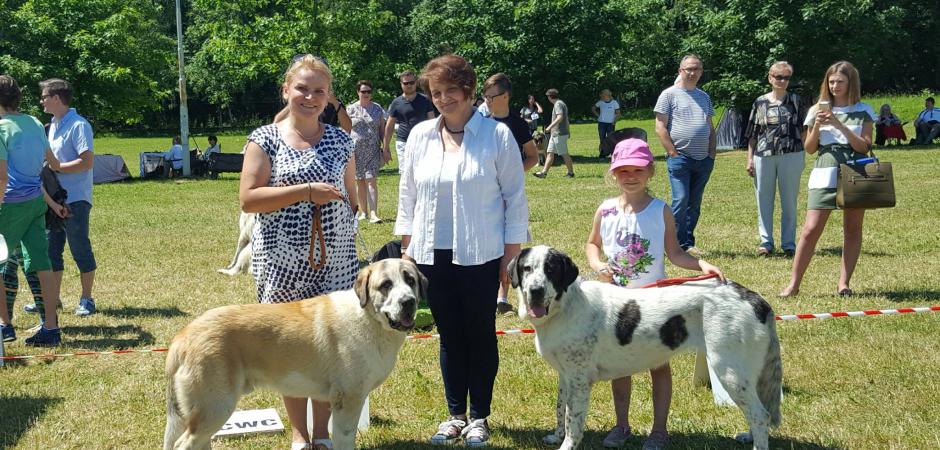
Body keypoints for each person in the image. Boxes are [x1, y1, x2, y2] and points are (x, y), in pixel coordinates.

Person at [395, 54, 528, 447]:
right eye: (436, 93)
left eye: (451, 91)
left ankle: (480, 417)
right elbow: (409, 196)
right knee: (450, 335)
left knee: (481, 333)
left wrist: (511, 256)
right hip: (431, 253)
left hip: (482, 252)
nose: (443, 99)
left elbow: (514, 199)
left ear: (468, 91)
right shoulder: (419, 136)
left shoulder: (497, 136)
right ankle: (455, 414)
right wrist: (407, 247)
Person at [239, 55, 359, 450]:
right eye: (302, 88)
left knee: (330, 346)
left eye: (319, 91)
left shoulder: (342, 139)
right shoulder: (264, 138)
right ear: (286, 90)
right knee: (289, 347)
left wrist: (346, 211)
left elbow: (351, 194)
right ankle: (299, 434)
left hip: (336, 258)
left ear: (329, 98)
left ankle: (322, 434)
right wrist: (306, 192)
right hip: (281, 260)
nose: (310, 97)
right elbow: (249, 199)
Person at [585, 138, 723, 450]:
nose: (630, 176)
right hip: (615, 304)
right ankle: (621, 425)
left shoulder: (661, 211)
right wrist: (596, 263)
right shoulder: (605, 210)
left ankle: (659, 430)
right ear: (613, 174)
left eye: (637, 169)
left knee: (658, 365)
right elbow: (592, 243)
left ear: (650, 171)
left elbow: (675, 253)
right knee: (619, 365)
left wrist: (702, 264)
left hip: (653, 304)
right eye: (623, 171)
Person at [780, 61, 876, 298]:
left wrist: (839, 125)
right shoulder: (815, 110)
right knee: (811, 229)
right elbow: (810, 148)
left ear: (850, 82)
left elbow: (864, 146)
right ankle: (793, 284)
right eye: (831, 81)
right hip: (825, 168)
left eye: (840, 81)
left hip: (856, 168)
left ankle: (844, 284)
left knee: (852, 228)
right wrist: (817, 127)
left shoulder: (864, 110)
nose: (834, 86)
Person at [0, 74, 64, 346]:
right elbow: (54, 162)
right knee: (41, 264)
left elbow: (1, 176)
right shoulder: (36, 123)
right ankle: (51, 327)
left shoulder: (1, 128)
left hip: (10, 205)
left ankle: (4, 326)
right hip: (36, 203)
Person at [31, 78, 98, 319]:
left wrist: (58, 168)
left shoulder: (79, 125)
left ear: (57, 98)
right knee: (51, 250)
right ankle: (53, 298)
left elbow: (87, 161)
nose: (42, 101)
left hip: (76, 198)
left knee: (79, 247)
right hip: (54, 199)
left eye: (45, 97)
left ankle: (87, 298)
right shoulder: (51, 125)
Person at [480, 73, 539, 315]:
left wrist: (513, 174)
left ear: (505, 96)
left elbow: (533, 157)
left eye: (490, 96)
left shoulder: (517, 123)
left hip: (509, 196)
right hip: (483, 194)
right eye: (484, 96)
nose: (486, 101)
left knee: (509, 243)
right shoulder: (478, 121)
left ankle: (502, 297)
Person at [653, 54, 717, 254]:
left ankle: (687, 242)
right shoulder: (668, 95)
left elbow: (710, 127)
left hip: (703, 160)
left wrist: (712, 153)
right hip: (680, 159)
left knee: (694, 204)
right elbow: (660, 127)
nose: (692, 72)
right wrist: (672, 152)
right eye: (688, 68)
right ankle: (674, 243)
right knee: (680, 200)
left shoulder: (704, 97)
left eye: (696, 69)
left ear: (701, 72)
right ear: (680, 71)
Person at [744, 61, 806, 258]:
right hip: (763, 155)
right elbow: (752, 134)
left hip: (792, 154)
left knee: (789, 201)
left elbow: (805, 130)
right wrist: (749, 159)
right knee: (764, 199)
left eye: (786, 77)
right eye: (778, 77)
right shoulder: (760, 102)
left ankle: (788, 243)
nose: (782, 81)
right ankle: (766, 242)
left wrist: (805, 154)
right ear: (770, 77)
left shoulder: (797, 101)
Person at [347, 80, 386, 224]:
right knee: (359, 181)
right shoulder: (350, 109)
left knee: (371, 180)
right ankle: (363, 212)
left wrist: (386, 147)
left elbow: (382, 128)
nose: (366, 94)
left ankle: (374, 213)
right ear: (358, 92)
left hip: (373, 149)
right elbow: (346, 129)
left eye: (369, 91)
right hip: (355, 150)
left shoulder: (377, 108)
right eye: (363, 91)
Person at [384, 70, 435, 173]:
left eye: (411, 82)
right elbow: (389, 126)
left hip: (423, 141)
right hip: (403, 141)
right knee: (405, 173)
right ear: (401, 84)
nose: (409, 85)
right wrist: (386, 148)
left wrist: (434, 141)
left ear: (416, 82)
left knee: (423, 171)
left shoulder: (425, 100)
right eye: (406, 83)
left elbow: (432, 122)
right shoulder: (396, 103)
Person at [533, 88, 573, 178]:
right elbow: (566, 119)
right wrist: (568, 130)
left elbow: (560, 118)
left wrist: (549, 127)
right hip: (555, 133)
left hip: (559, 133)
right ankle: (543, 173)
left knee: (564, 153)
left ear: (549, 97)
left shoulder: (558, 104)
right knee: (550, 152)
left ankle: (571, 173)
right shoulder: (560, 103)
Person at [593, 89, 621, 158]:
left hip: (610, 124)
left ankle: (613, 154)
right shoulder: (600, 102)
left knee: (611, 138)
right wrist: (598, 116)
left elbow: (618, 114)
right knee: (602, 138)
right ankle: (602, 154)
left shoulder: (614, 103)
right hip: (601, 123)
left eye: (603, 94)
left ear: (607, 95)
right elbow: (593, 108)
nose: (601, 95)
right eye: (602, 94)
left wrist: (614, 121)